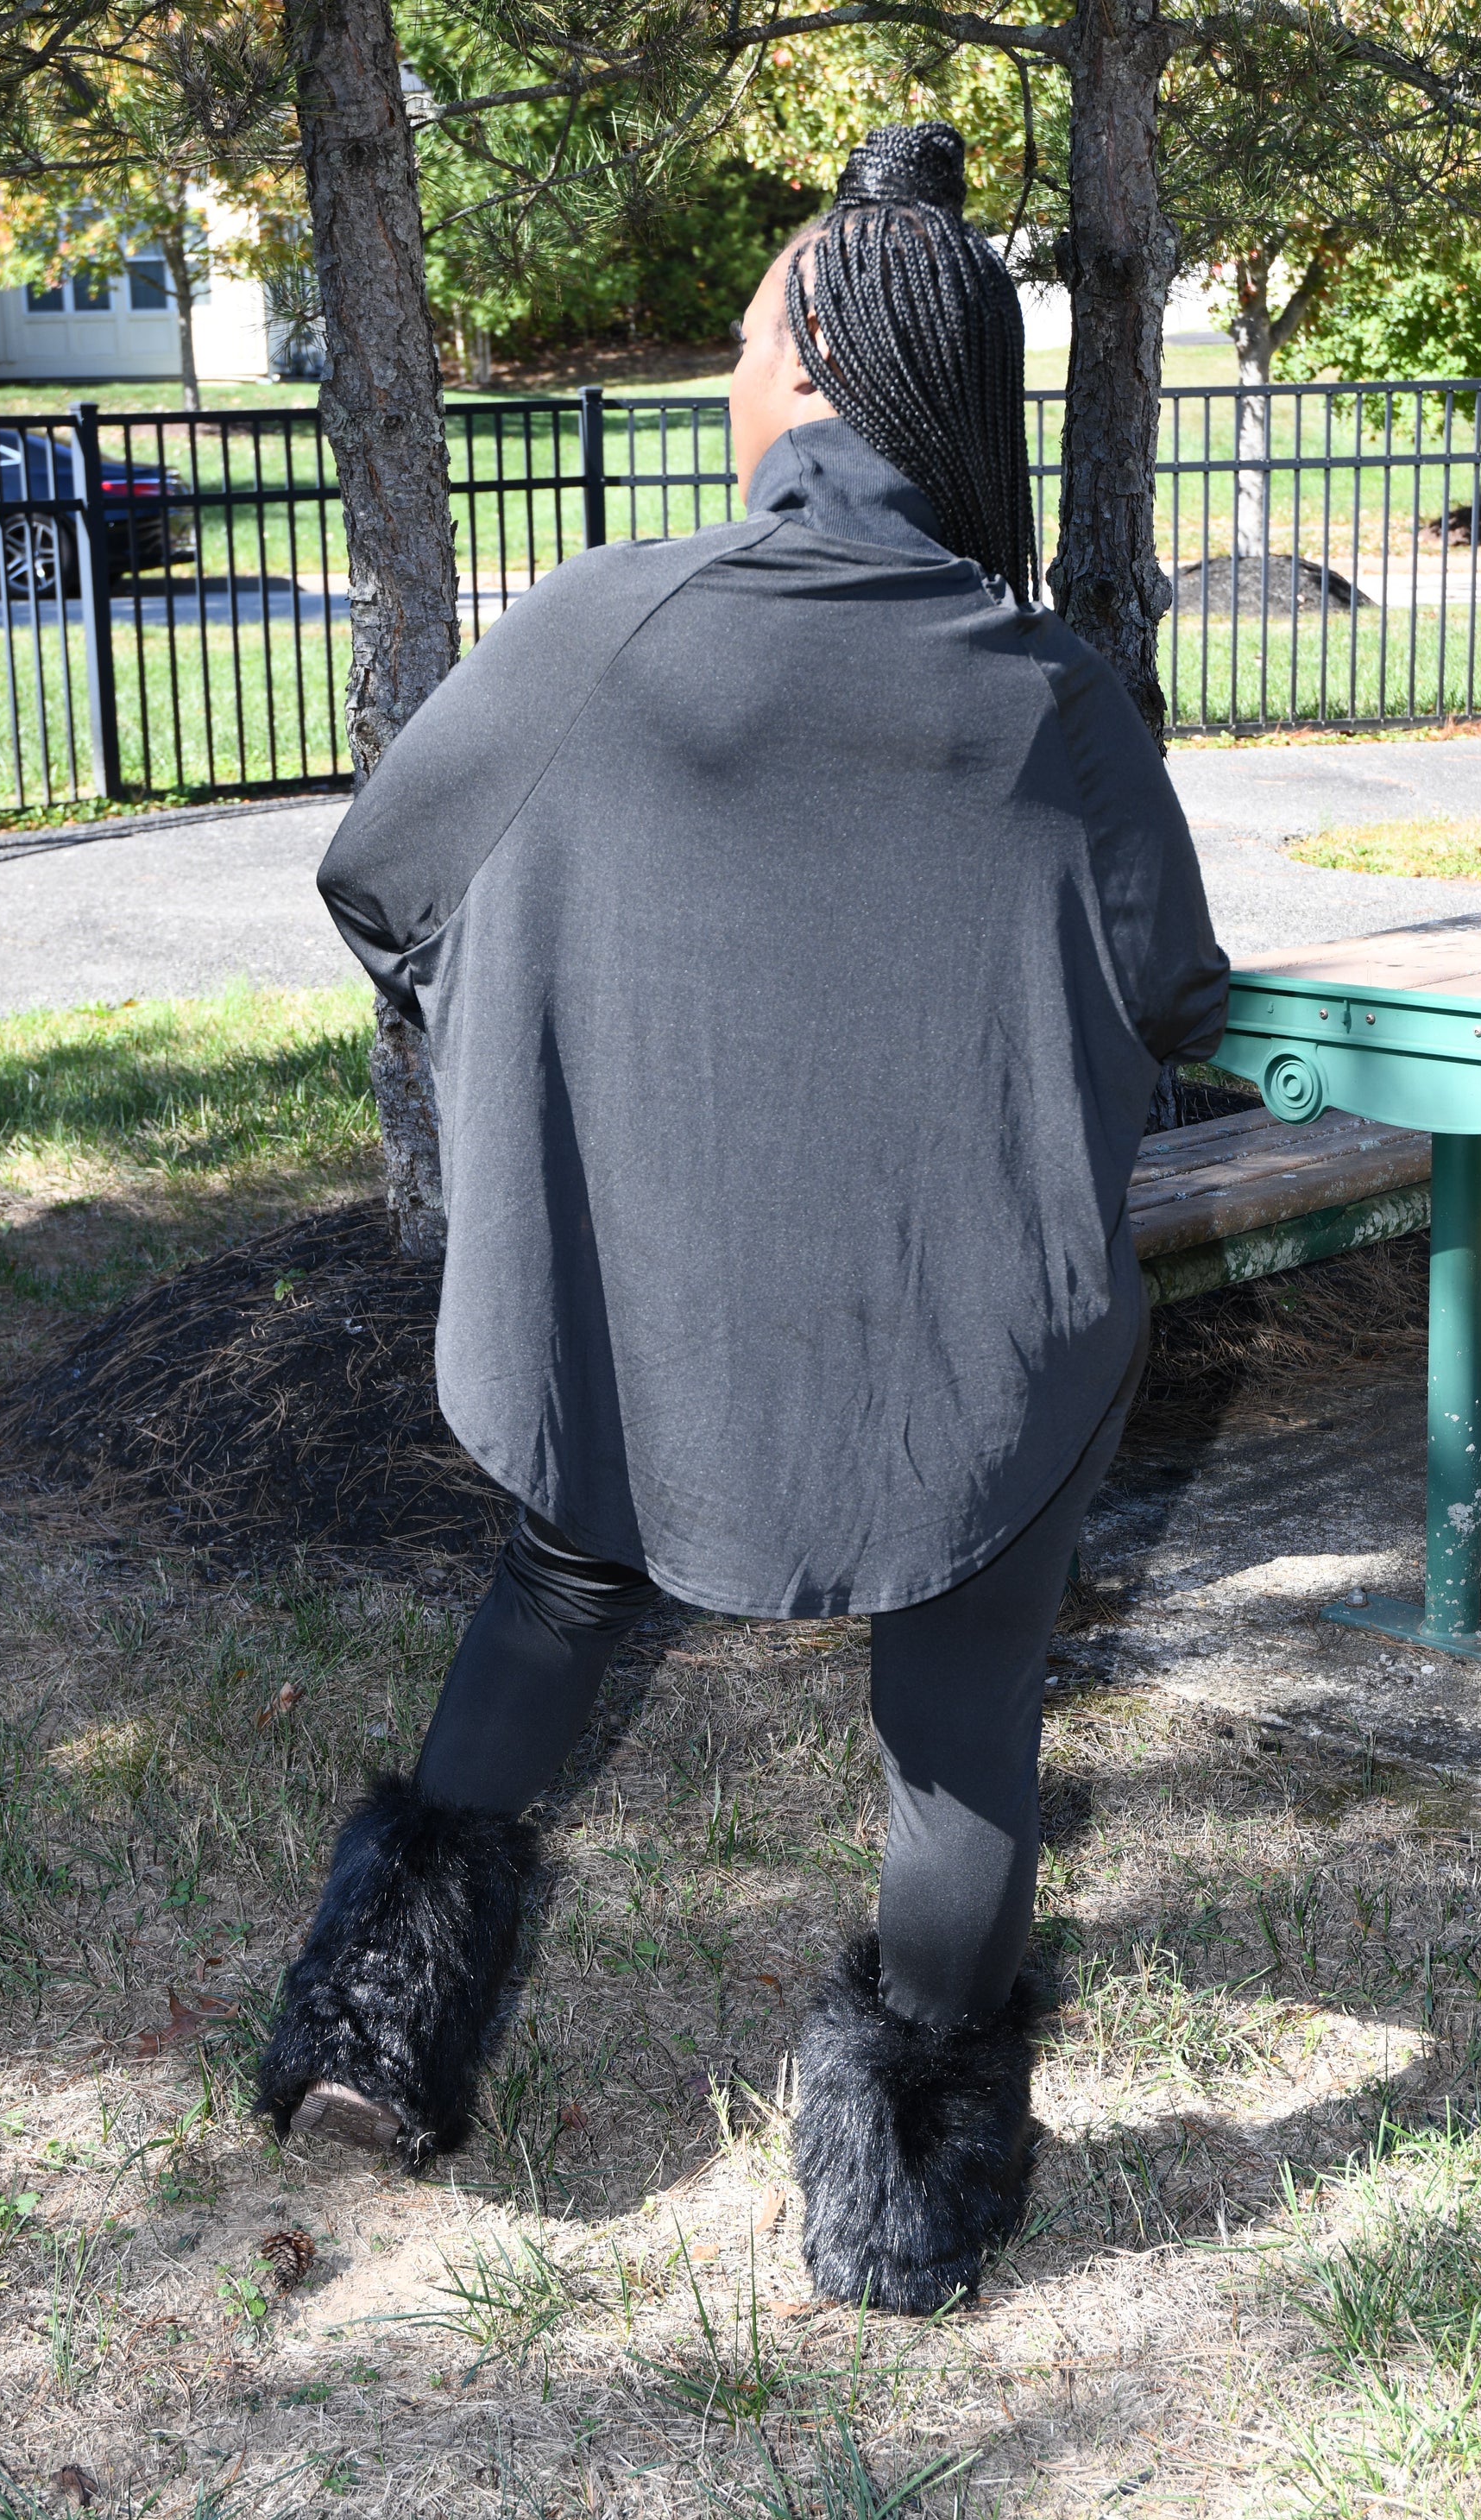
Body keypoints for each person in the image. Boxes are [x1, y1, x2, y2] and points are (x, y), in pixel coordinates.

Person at [255, 121, 1228, 2316]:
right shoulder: (1052, 693)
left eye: (735, 334)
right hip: (951, 1332)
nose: (720, 369)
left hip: (643, 1313)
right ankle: (898, 2196)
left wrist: (566, 1063)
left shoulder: (607, 616)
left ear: (808, 375)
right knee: (964, 1700)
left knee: (555, 1575)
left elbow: (383, 885)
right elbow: (1169, 993)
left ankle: (375, 2044)